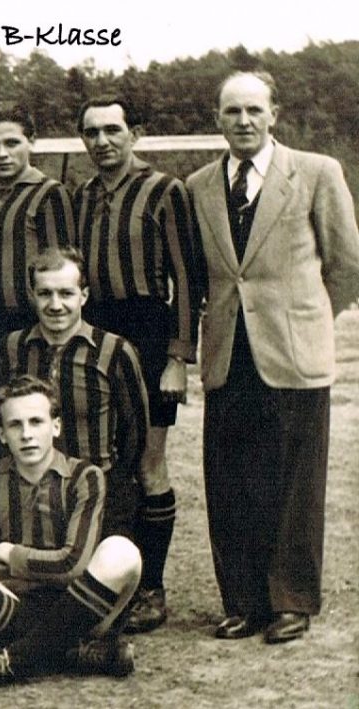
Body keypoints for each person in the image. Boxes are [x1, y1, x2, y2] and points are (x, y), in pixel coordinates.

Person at [186, 71, 359, 644]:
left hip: (293, 353)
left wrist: (305, 316)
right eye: (232, 111)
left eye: (254, 110)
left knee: (294, 484)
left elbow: (347, 264)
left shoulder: (316, 172)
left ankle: (291, 601)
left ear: (274, 114)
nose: (243, 121)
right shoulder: (198, 185)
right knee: (231, 483)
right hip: (227, 354)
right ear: (217, 118)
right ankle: (243, 601)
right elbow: (204, 274)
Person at [72, 95, 200, 632]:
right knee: (102, 459)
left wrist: (178, 357)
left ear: (135, 133)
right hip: (96, 328)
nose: (102, 141)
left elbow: (189, 279)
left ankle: (152, 588)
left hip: (148, 329)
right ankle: (105, 583)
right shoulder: (80, 196)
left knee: (149, 462)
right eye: (92, 132)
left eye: (112, 129)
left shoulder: (166, 189)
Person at [0, 374, 142, 694]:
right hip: (19, 604)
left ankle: (12, 662)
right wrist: (42, 575)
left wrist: (12, 554)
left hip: (81, 603)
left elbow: (74, 564)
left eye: (36, 422)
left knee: (122, 552)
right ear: (2, 434)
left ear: (56, 426)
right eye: (15, 425)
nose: (27, 434)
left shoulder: (85, 476)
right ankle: (72, 651)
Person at [0, 247, 149, 551]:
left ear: (84, 295)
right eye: (45, 294)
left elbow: (135, 431)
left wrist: (111, 482)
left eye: (66, 293)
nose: (55, 305)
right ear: (32, 295)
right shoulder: (12, 348)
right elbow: (1, 418)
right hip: (30, 491)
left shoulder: (115, 351)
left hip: (99, 492)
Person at [0, 105, 75, 443]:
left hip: (28, 329)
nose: (1, 153)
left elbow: (61, 268)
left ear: (31, 142)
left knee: (29, 425)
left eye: (12, 143)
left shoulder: (49, 194)